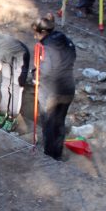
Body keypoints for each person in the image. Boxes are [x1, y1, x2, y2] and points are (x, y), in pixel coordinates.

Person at [31, 15, 76, 160]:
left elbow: (48, 69)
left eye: (36, 33)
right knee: (60, 121)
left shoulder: (45, 46)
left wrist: (36, 75)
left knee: (49, 124)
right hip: (68, 88)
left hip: (51, 91)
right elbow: (72, 58)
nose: (34, 36)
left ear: (43, 32)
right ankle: (58, 153)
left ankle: (50, 157)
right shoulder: (66, 41)